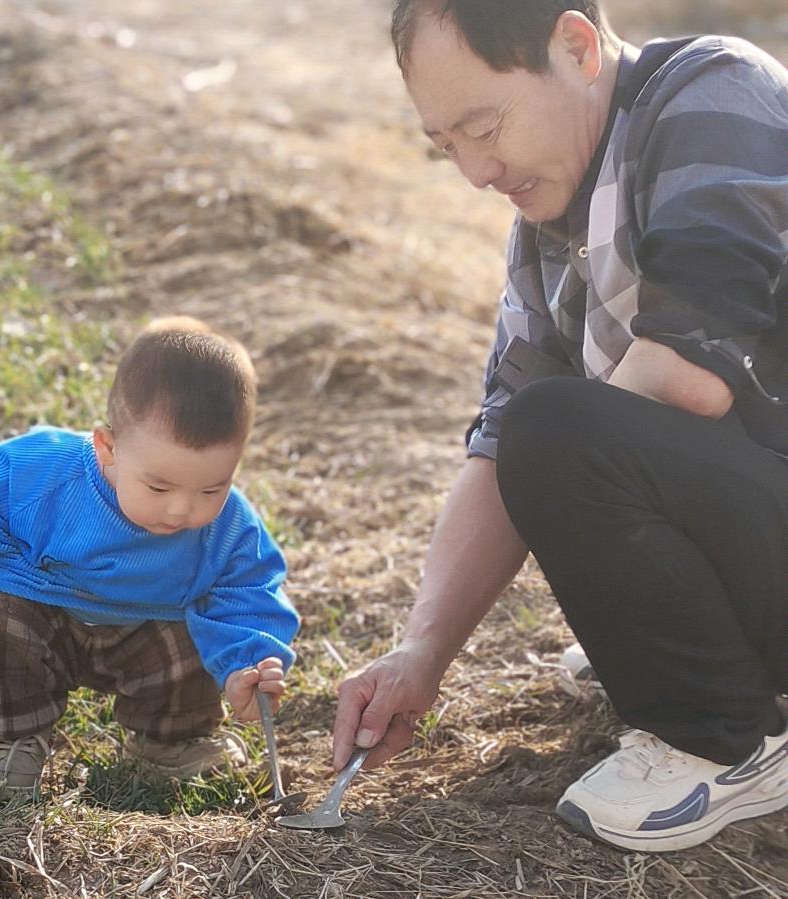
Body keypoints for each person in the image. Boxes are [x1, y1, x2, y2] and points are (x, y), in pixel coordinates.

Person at [333, 0, 788, 852]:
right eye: (446, 145)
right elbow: (501, 440)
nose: (474, 169)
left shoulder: (715, 96)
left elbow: (688, 379)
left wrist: (571, 473)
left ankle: (724, 739)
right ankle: (714, 657)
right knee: (543, 429)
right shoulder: (547, 228)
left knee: (561, 430)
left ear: (575, 46)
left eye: (481, 124)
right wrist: (418, 656)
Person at [0, 316, 299, 789]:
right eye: (158, 485)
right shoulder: (41, 471)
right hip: (42, 615)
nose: (181, 509)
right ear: (108, 447)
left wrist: (245, 668)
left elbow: (247, 593)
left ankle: (167, 742)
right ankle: (14, 741)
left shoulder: (229, 527)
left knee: (198, 631)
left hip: (146, 630)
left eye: (212, 488)